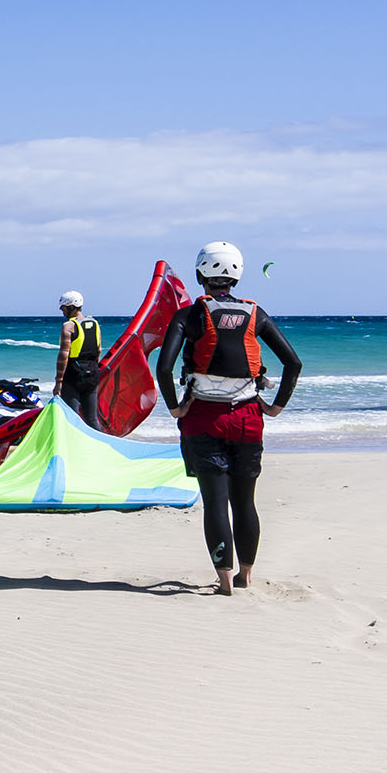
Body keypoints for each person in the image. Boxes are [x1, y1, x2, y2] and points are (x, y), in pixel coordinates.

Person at [154, 241, 302, 596]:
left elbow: (163, 367)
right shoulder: (256, 314)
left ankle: (223, 581)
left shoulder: (189, 315)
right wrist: (276, 406)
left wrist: (175, 407)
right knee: (244, 501)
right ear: (236, 275)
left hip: (203, 418)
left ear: (200, 274)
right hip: (249, 417)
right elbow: (293, 363)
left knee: (216, 503)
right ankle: (246, 575)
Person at [51, 291, 102, 430]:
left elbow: (63, 355)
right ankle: (100, 446)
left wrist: (58, 382)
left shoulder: (68, 326)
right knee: (92, 419)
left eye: (63, 307)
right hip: (92, 373)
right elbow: (98, 350)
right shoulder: (95, 323)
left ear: (72, 307)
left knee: (71, 418)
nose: (61, 310)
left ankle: (73, 449)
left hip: (74, 375)